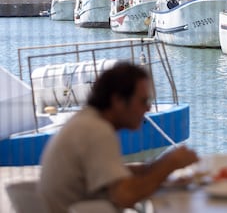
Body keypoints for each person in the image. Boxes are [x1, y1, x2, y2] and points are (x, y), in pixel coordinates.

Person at [39, 62, 198, 213]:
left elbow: (113, 174)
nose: (148, 107)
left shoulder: (86, 122)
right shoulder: (96, 131)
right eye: (143, 101)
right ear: (118, 101)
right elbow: (125, 196)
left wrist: (159, 169)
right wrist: (170, 164)